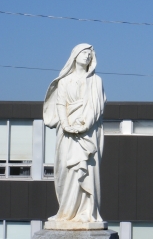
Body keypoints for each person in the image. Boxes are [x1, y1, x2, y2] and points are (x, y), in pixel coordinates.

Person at [43, 44, 106, 224]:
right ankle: (66, 211)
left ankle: (87, 212)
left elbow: (97, 107)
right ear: (75, 56)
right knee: (66, 170)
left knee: (87, 171)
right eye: (83, 52)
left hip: (88, 134)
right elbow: (60, 104)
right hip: (67, 133)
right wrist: (67, 125)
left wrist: (84, 125)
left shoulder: (96, 81)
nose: (87, 56)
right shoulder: (65, 81)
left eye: (90, 53)